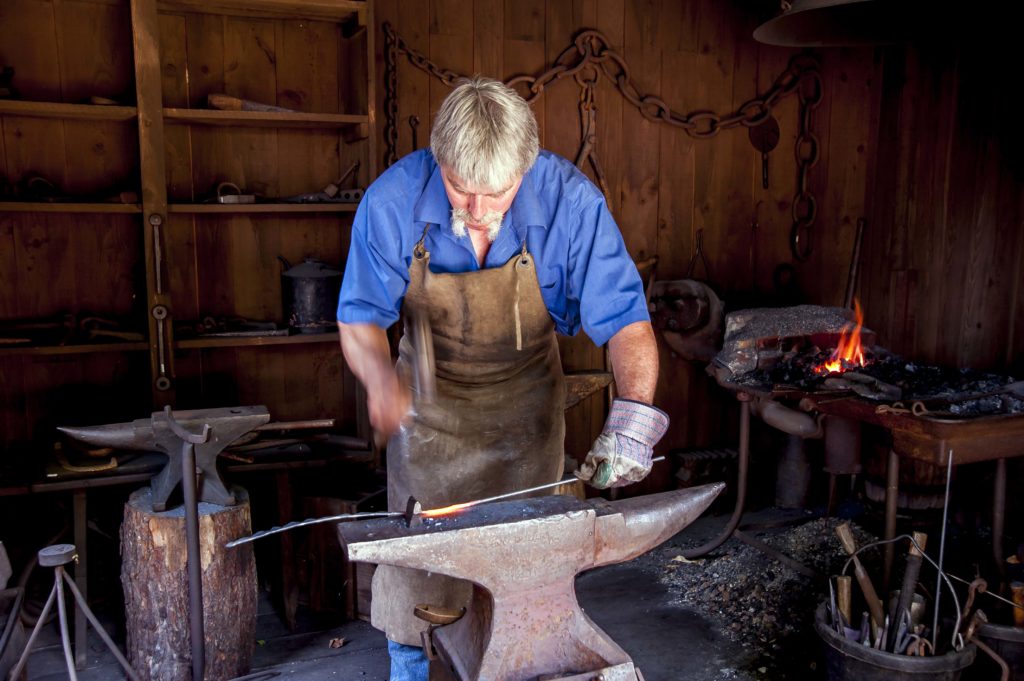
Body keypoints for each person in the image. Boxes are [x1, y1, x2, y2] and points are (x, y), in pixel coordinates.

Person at [336, 76, 668, 681]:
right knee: (417, 581)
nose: (480, 212)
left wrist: (633, 421)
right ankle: (408, 670)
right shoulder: (391, 204)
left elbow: (627, 323)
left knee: (525, 581)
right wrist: (381, 384)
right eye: (461, 191)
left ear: (527, 166)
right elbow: (359, 319)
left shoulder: (571, 204)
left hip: (527, 418)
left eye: (499, 194)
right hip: (429, 423)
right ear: (438, 161)